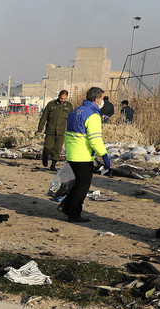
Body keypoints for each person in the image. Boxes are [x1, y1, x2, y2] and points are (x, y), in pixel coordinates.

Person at [61, 86, 110, 224]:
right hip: (83, 155)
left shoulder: (75, 111)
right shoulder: (93, 116)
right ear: (96, 99)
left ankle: (66, 207)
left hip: (72, 154)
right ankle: (74, 214)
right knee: (82, 186)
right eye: (101, 99)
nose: (102, 102)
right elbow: (95, 140)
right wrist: (104, 156)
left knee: (76, 184)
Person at [36, 90, 72, 170]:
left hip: (62, 131)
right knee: (48, 147)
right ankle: (45, 157)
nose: (62, 100)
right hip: (50, 130)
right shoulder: (51, 104)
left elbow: (71, 119)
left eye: (64, 99)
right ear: (59, 97)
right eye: (61, 98)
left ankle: (53, 165)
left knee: (57, 149)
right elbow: (44, 117)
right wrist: (40, 129)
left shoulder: (69, 106)